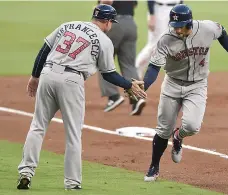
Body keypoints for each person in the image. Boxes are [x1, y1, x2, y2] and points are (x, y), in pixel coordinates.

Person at [16, 4, 146, 190]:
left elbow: (44, 50)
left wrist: (35, 76)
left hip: (48, 74)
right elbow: (108, 74)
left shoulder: (68, 25)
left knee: (37, 126)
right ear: (108, 22)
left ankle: (25, 173)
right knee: (73, 135)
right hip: (72, 81)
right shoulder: (104, 40)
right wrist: (128, 85)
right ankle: (72, 182)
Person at [142, 4, 228, 182]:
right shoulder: (166, 39)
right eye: (174, 26)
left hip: (197, 85)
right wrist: (144, 86)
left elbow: (223, 33)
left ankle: (178, 137)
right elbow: (153, 68)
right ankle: (154, 166)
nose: (177, 30)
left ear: (189, 23)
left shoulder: (207, 28)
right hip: (172, 84)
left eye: (180, 26)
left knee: (192, 126)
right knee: (163, 129)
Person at [98, 0, 146, 115]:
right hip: (131, 24)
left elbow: (107, 1)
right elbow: (134, 4)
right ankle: (137, 98)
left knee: (102, 60)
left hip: (114, 23)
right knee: (129, 64)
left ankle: (113, 96)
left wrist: (99, 8)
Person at [135, 0, 183, 79]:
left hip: (175, 10)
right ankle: (137, 67)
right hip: (159, 10)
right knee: (155, 43)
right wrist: (152, 16)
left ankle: (176, 75)